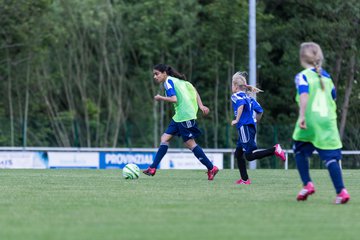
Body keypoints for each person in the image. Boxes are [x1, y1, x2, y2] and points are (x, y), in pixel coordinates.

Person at [292, 42, 350, 204]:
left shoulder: (303, 76)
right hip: (328, 122)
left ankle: (307, 184)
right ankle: (341, 192)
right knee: (331, 158)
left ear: (302, 58)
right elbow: (333, 98)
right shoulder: (327, 77)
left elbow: (304, 95)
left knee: (299, 150)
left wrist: (302, 116)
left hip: (311, 119)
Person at [143, 64, 219, 180]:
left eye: (157, 74)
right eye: (154, 74)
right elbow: (194, 90)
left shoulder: (168, 82)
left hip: (185, 116)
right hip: (179, 116)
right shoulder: (181, 81)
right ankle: (152, 168)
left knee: (190, 144)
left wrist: (160, 98)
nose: (155, 76)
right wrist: (201, 105)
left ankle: (211, 168)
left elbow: (174, 99)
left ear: (164, 73)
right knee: (164, 138)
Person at [231, 72, 286, 185]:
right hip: (249, 127)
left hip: (244, 128)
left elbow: (240, 105)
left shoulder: (236, 96)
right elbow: (260, 111)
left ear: (235, 86)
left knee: (249, 156)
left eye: (232, 85)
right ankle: (245, 179)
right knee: (238, 154)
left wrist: (237, 119)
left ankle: (274, 150)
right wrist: (256, 120)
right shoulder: (250, 98)